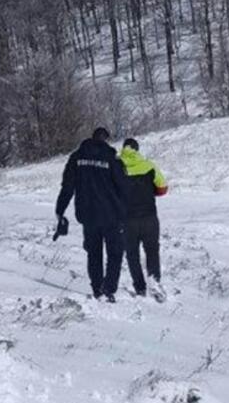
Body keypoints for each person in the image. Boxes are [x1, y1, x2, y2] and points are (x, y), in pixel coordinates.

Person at [55, 127, 128, 303]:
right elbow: (124, 187)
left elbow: (67, 187)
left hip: (87, 214)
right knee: (115, 253)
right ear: (105, 140)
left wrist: (60, 211)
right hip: (111, 214)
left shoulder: (76, 158)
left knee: (94, 253)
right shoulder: (112, 158)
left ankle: (97, 289)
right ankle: (109, 289)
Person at [119, 138, 168, 300]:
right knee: (152, 250)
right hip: (149, 216)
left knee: (132, 253)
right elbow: (162, 189)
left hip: (127, 219)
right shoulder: (149, 165)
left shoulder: (117, 167)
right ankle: (154, 281)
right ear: (137, 150)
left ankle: (140, 287)